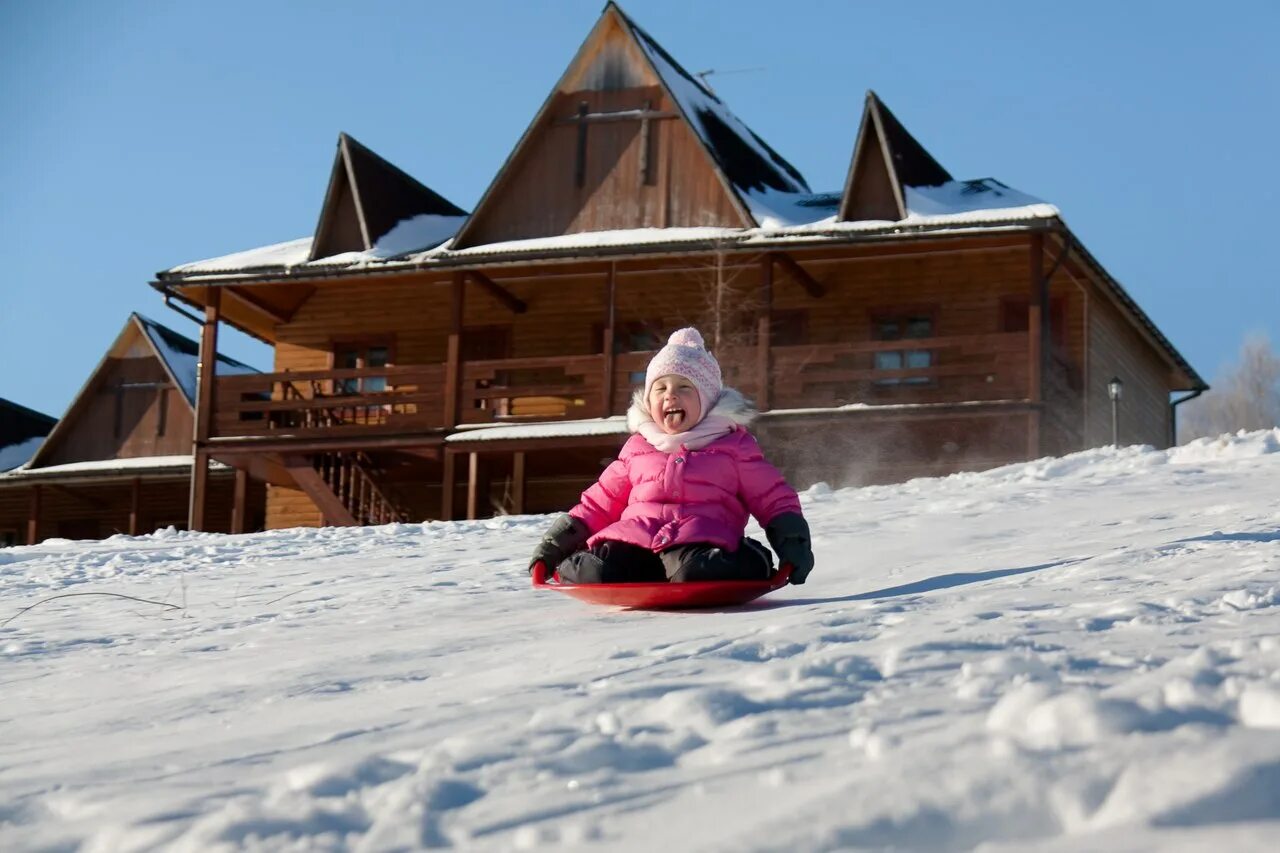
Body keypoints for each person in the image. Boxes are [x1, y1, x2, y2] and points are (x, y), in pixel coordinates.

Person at [529, 327, 814, 584]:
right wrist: (554, 547)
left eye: (684, 388)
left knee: (695, 571)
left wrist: (793, 545)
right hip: (635, 541)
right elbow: (598, 504)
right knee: (597, 570)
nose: (670, 396)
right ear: (649, 401)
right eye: (660, 388)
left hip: (701, 542)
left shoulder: (733, 447)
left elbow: (774, 498)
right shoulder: (637, 448)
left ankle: (752, 560)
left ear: (708, 399)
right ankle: (615, 571)